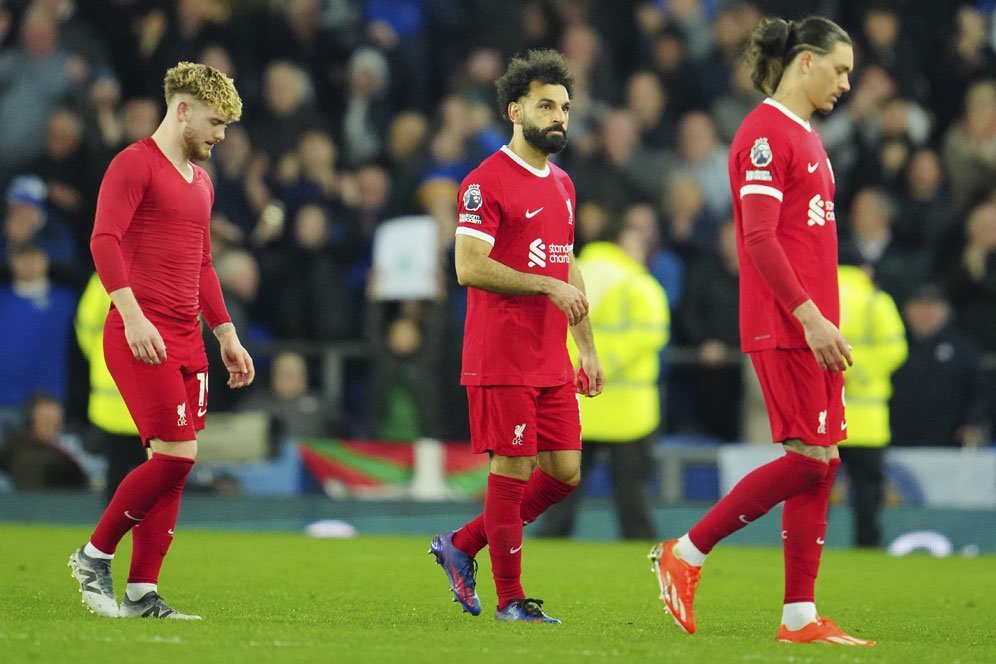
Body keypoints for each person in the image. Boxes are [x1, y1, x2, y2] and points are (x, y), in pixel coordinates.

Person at [648, 17, 876, 646]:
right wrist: (807, 317)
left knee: (821, 464)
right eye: (839, 69)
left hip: (812, 325)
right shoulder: (765, 135)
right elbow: (757, 236)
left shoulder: (809, 137)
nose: (846, 83)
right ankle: (686, 552)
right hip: (786, 325)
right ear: (805, 62)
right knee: (808, 459)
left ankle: (799, 615)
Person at [67, 62, 254, 620]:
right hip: (140, 335)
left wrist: (226, 333)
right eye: (216, 123)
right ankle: (92, 554)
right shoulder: (133, 164)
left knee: (175, 464)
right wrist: (132, 316)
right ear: (182, 109)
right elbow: (104, 242)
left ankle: (142, 593)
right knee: (176, 458)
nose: (221, 137)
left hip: (188, 340)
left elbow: (202, 264)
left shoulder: (202, 182)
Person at [428, 49, 604, 624]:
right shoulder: (484, 182)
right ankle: (510, 601)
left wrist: (587, 346)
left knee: (564, 475)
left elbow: (566, 263)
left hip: (551, 355)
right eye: (546, 106)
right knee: (513, 472)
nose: (559, 117)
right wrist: (546, 289)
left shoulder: (564, 183)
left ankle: (460, 544)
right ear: (514, 109)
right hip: (501, 354)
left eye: (565, 108)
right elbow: (469, 266)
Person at [536, 219, 669, 540]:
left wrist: (578, 367)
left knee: (561, 487)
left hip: (577, 399)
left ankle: (545, 550)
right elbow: (651, 334)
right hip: (629, 408)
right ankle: (641, 559)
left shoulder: (568, 274)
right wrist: (606, 366)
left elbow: (547, 329)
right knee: (632, 496)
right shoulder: (638, 283)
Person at [835, 264, 907, 548]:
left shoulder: (813, 297)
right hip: (868, 415)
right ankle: (867, 544)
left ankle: (806, 546)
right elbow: (895, 349)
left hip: (823, 414)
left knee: (814, 486)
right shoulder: (876, 300)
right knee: (867, 488)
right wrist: (857, 369)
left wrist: (837, 369)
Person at [75, 272, 146, 502]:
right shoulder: (169, 269)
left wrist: (100, 355)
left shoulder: (103, 278)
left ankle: (111, 532)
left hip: (110, 396)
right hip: (152, 393)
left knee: (116, 470)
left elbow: (85, 327)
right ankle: (152, 529)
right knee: (154, 472)